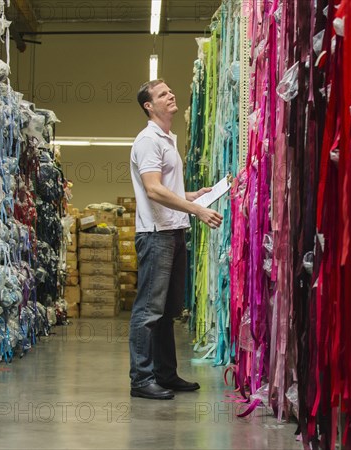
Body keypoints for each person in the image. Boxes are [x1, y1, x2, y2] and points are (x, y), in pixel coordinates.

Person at [129, 79, 223, 400]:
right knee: (148, 312)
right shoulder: (147, 140)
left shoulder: (168, 139)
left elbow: (165, 190)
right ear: (149, 106)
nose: (170, 95)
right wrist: (195, 209)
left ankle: (165, 375)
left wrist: (193, 195)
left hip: (173, 230)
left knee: (168, 311)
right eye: (162, 94)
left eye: (170, 90)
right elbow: (153, 188)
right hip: (156, 235)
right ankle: (141, 379)